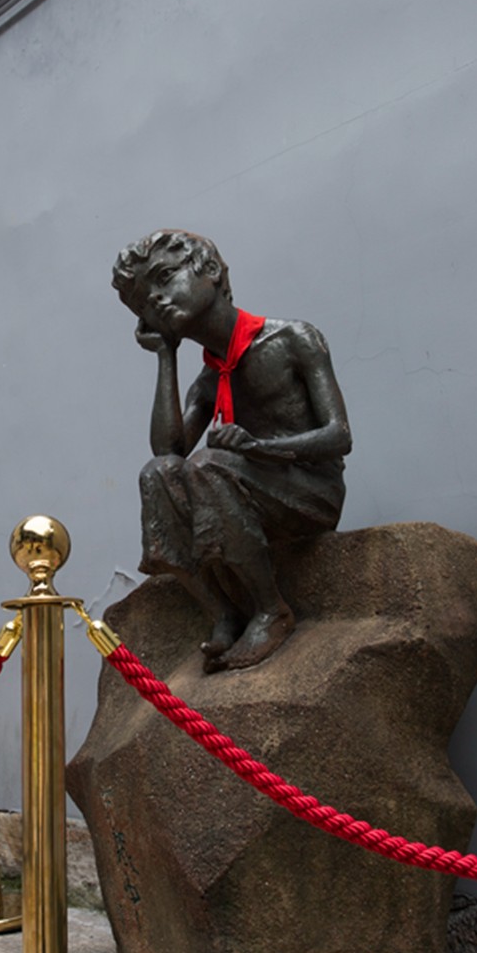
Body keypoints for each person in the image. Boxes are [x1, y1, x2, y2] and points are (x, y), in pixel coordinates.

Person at [112, 229, 351, 670]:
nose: (158, 301)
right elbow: (168, 450)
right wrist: (166, 357)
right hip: (247, 485)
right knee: (156, 475)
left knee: (208, 464)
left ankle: (270, 608)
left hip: (308, 492)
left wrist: (260, 448)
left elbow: (339, 436)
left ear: (212, 270)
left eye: (165, 278)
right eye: (146, 302)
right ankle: (223, 610)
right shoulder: (209, 380)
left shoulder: (293, 340)